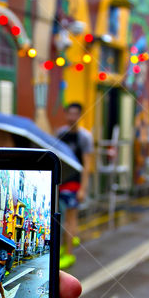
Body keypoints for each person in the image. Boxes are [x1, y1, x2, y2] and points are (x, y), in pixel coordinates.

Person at [56, 103, 94, 270]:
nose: (72, 117)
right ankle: (64, 247)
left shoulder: (84, 137)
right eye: (69, 114)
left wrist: (83, 188)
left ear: (80, 116)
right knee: (60, 219)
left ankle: (69, 254)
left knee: (70, 219)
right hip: (60, 182)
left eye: (75, 114)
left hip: (74, 183)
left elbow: (87, 164)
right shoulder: (60, 133)